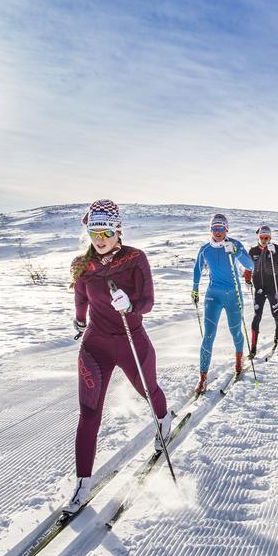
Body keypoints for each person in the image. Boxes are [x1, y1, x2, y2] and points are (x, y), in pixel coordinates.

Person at [66, 199, 172, 515]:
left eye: (106, 231)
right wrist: (79, 319)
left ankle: (164, 421)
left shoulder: (135, 259)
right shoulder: (82, 264)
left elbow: (149, 301)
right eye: (94, 231)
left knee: (148, 391)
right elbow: (80, 295)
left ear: (118, 230)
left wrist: (131, 304)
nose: (100, 239)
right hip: (95, 345)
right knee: (88, 413)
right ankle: (83, 483)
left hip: (131, 340)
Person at [191, 213, 254, 394]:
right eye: (214, 228)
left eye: (221, 228)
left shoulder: (234, 244)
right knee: (208, 336)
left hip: (233, 295)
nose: (218, 232)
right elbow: (197, 269)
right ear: (210, 230)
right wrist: (195, 289)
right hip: (213, 295)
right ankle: (202, 378)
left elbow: (251, 266)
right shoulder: (205, 249)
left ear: (226, 229)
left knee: (235, 332)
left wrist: (237, 251)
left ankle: (239, 361)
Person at [244, 224, 278, 359]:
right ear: (258, 237)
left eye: (266, 237)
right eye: (262, 237)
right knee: (257, 316)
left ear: (270, 238)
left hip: (273, 288)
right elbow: (248, 267)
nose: (264, 240)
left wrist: (275, 253)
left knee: (275, 313)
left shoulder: (276, 248)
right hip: (259, 288)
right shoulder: (253, 251)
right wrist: (247, 279)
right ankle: (253, 347)